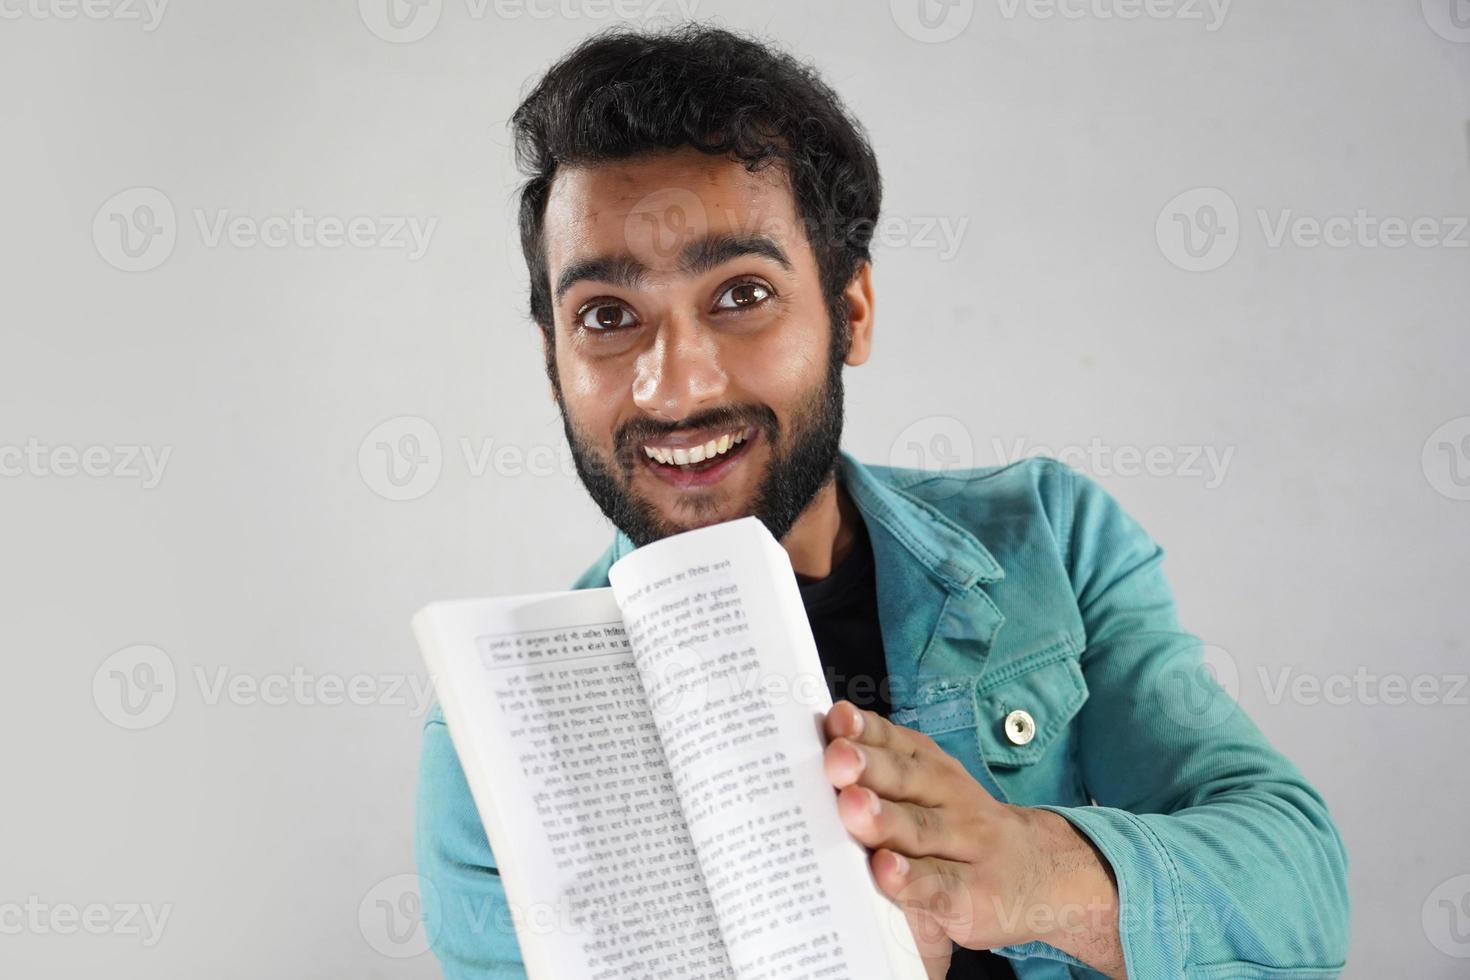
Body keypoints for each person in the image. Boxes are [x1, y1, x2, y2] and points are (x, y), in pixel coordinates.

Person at [416, 24, 1350, 979]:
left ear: (851, 312)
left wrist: (1034, 874)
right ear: (552, 362)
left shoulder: (1052, 538)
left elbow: (1303, 897)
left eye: (741, 294)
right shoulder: (494, 732)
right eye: (607, 317)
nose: (675, 387)